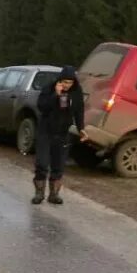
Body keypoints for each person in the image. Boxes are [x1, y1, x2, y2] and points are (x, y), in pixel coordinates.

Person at [32, 66, 86, 205]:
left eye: (70, 82)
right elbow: (41, 106)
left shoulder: (76, 92)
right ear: (59, 80)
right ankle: (39, 193)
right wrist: (56, 94)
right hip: (46, 131)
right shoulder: (49, 88)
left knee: (59, 165)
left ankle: (54, 194)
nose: (67, 85)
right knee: (42, 163)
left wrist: (81, 129)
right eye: (65, 82)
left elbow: (79, 111)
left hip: (62, 132)